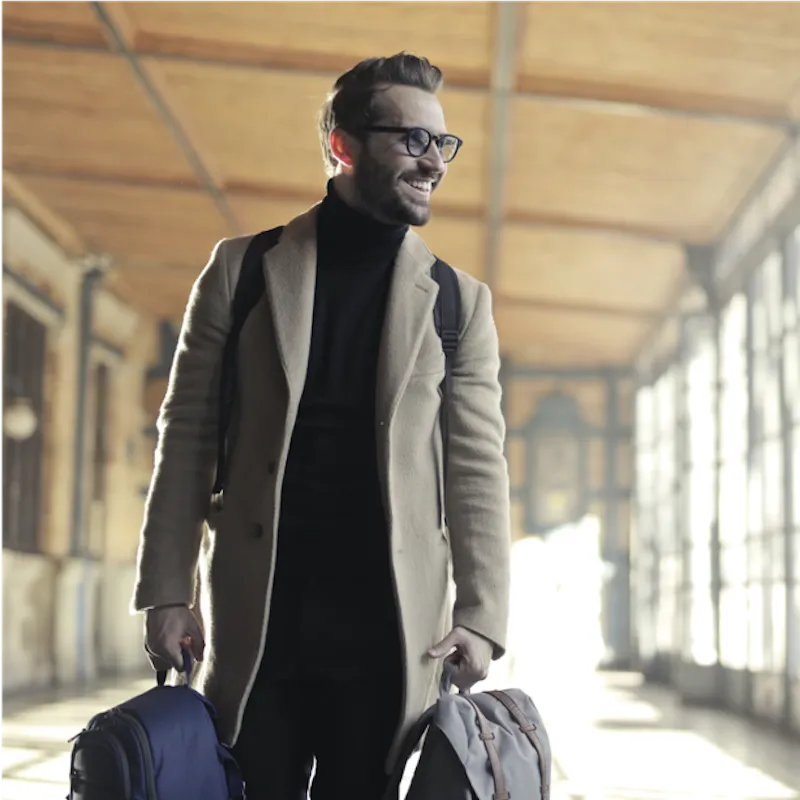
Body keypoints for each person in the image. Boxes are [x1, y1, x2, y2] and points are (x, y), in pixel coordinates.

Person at [132, 52, 511, 799]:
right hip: (259, 624)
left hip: (391, 633)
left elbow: (477, 468)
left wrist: (482, 614)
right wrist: (167, 588)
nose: (434, 161)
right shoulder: (242, 271)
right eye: (413, 140)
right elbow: (186, 436)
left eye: (443, 144)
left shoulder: (457, 303)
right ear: (342, 145)